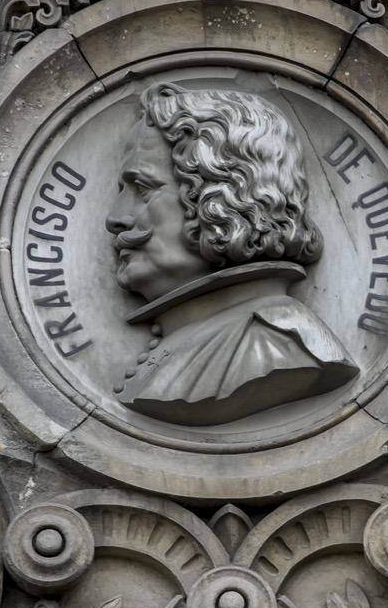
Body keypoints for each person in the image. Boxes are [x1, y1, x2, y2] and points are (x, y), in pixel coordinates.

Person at [104, 81, 358, 427]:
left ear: (224, 199)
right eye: (124, 191)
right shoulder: (194, 335)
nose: (116, 218)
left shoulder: (277, 346)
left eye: (143, 189)